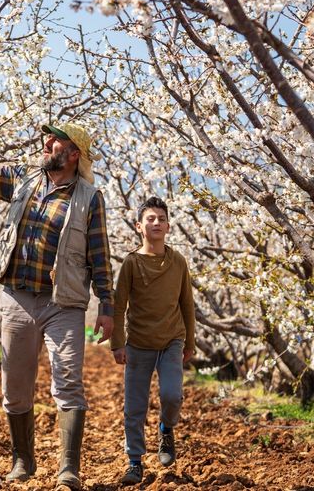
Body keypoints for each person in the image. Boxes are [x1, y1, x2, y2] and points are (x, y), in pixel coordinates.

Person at [0, 111, 114, 490]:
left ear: (73, 154)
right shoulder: (23, 179)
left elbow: (100, 255)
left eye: (55, 141)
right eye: (47, 139)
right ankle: (23, 459)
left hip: (63, 303)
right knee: (15, 386)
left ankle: (68, 468)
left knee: (68, 382)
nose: (46, 144)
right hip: (17, 296)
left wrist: (107, 307)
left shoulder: (89, 199)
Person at [110, 196, 196, 485]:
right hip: (138, 343)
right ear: (139, 226)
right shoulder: (131, 263)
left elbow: (187, 304)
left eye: (161, 219)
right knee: (135, 407)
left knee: (172, 395)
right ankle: (134, 462)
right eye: (150, 219)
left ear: (169, 226)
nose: (156, 223)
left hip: (172, 340)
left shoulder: (178, 261)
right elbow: (119, 305)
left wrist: (190, 342)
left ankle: (166, 430)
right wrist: (117, 343)